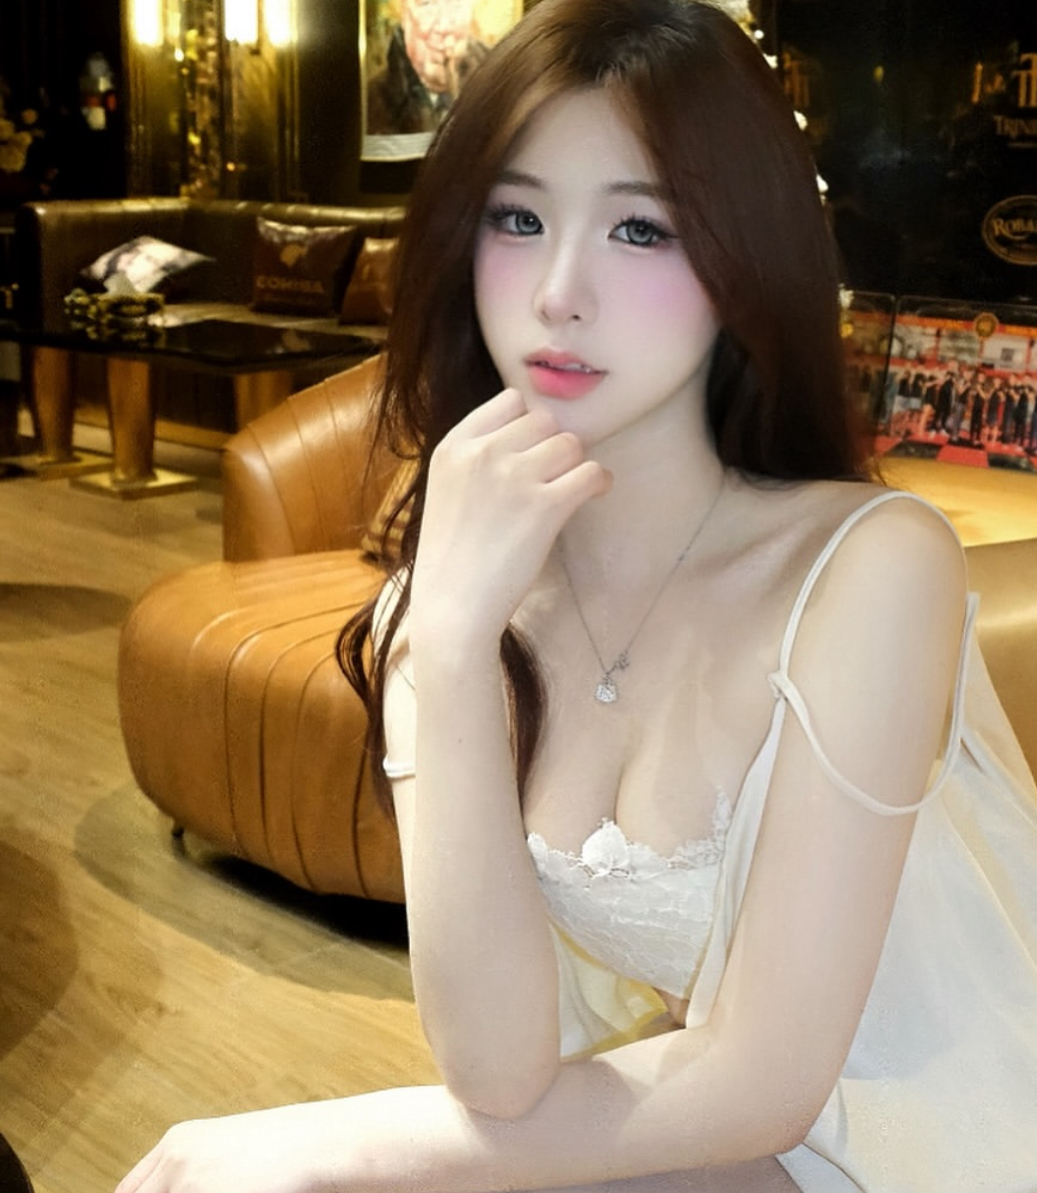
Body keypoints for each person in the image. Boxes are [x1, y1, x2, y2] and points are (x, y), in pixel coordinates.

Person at [116, 1, 1037, 1190]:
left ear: (741, 259)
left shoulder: (870, 566)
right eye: (517, 217)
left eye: (639, 229)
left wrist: (320, 1139)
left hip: (943, 1114)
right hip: (717, 1125)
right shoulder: (447, 606)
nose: (558, 291)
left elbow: (766, 1076)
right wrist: (448, 648)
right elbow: (494, 1070)